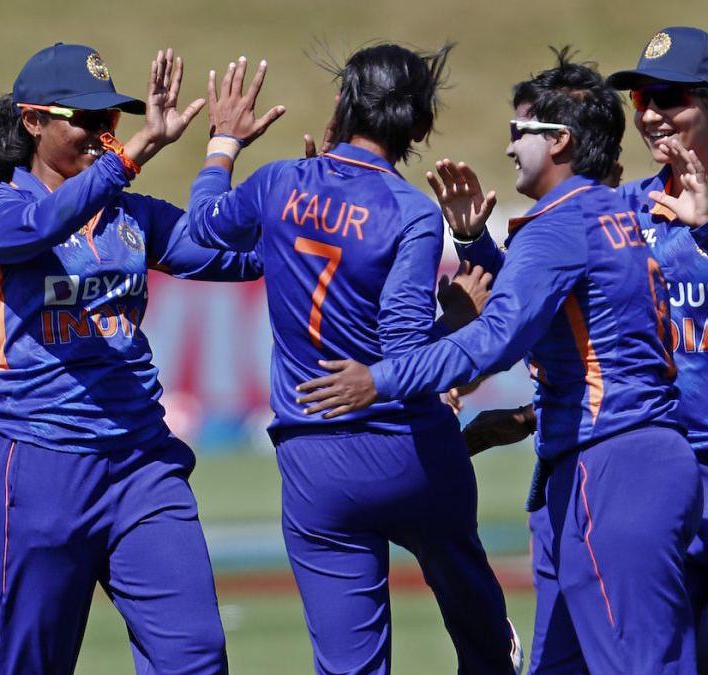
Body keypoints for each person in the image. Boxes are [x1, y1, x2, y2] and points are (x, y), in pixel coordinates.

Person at [298, 50, 702, 673]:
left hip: (610, 463)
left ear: (560, 141)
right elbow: (562, 316)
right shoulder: (615, 213)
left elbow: (495, 340)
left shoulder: (558, 225)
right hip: (632, 456)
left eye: (522, 133)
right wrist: (476, 245)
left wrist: (377, 379)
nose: (510, 148)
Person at [183, 44, 520, 674]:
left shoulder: (279, 182)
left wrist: (223, 143)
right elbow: (404, 353)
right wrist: (454, 315)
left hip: (316, 465)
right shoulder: (412, 212)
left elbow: (204, 226)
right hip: (412, 455)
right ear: (419, 128)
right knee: (483, 639)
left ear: (340, 106)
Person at [0, 43, 261, 674]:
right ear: (33, 121)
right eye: (85, 118)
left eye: (113, 118)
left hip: (140, 463)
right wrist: (129, 157)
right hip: (38, 463)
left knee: (195, 654)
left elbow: (234, 253)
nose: (103, 132)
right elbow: (38, 229)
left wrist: (236, 164)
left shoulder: (130, 214)